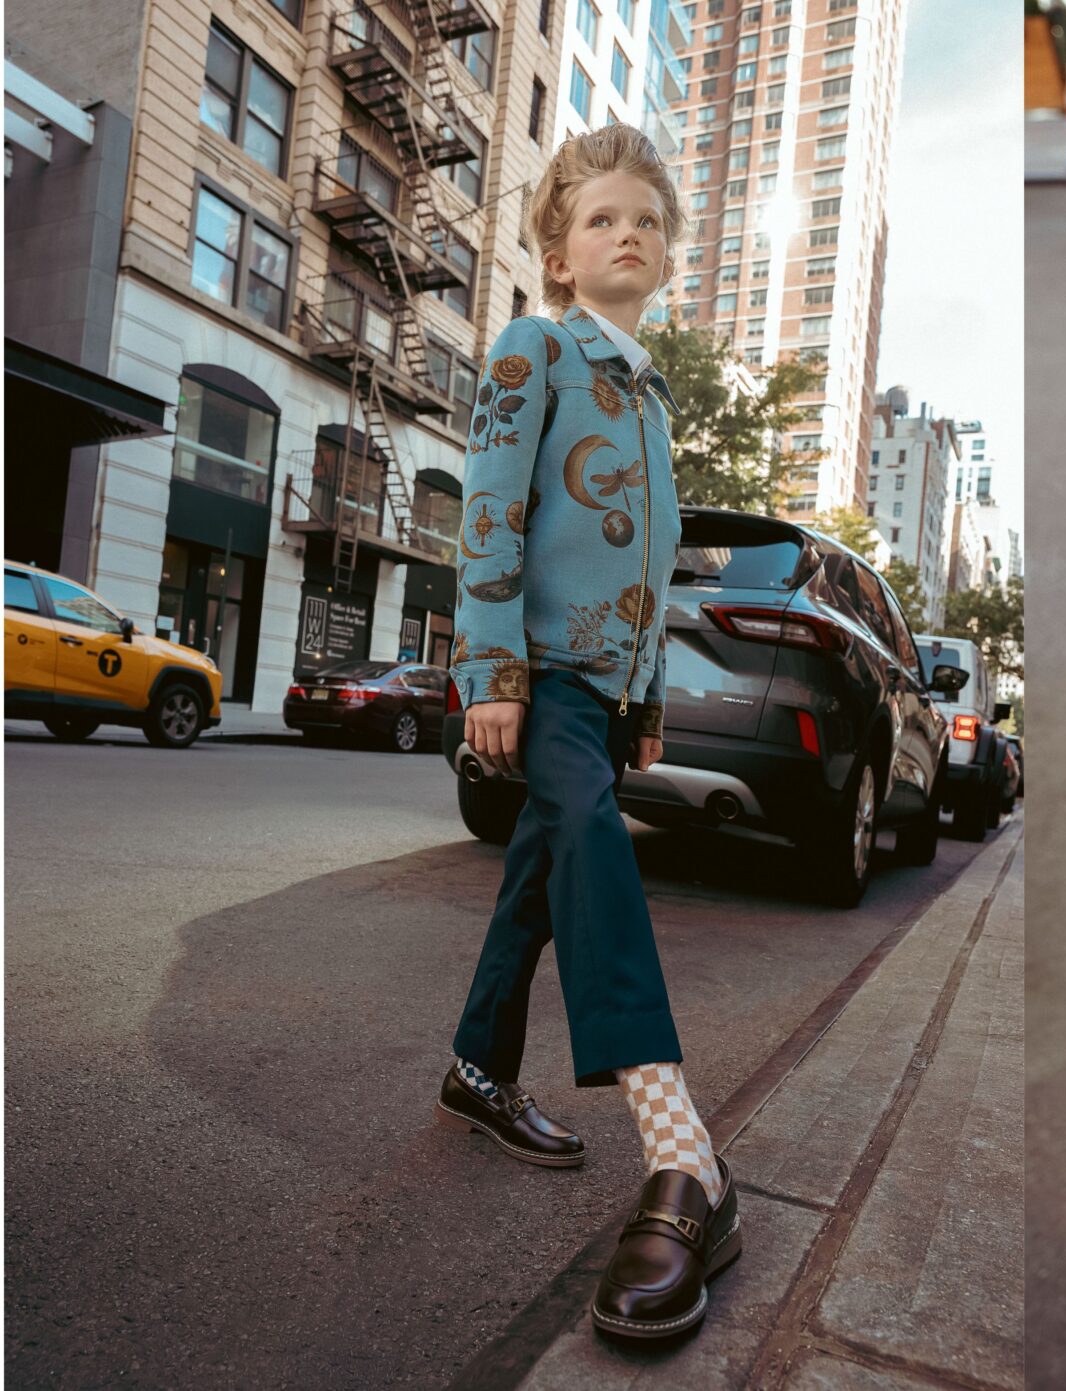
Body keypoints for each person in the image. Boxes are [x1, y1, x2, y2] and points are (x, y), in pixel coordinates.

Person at [434, 123, 739, 1341]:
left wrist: (649, 701)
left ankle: (473, 1068)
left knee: (534, 879)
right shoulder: (536, 348)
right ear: (558, 253)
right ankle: (678, 1140)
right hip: (544, 672)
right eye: (604, 217)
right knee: (594, 845)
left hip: (608, 693)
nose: (630, 234)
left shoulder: (652, 398)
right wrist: (490, 671)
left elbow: (653, 571)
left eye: (649, 221)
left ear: (666, 255)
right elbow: (491, 512)